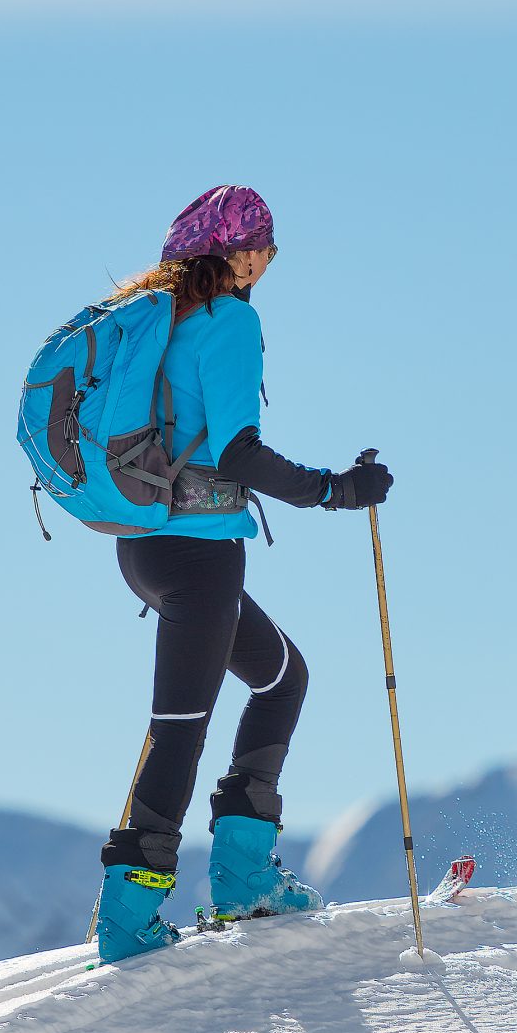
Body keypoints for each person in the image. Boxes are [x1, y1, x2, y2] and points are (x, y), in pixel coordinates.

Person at [89, 185, 393, 963]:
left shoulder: (165, 321)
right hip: (198, 556)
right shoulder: (230, 320)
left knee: (281, 677)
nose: (266, 262)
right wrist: (334, 489)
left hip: (145, 545)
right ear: (235, 252)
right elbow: (237, 452)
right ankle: (129, 919)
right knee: (180, 727)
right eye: (263, 246)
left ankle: (245, 877)